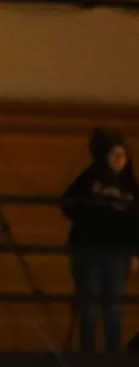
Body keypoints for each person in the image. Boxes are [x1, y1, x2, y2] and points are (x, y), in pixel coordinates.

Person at [62, 130, 139, 352]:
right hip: (90, 250)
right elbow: (67, 204)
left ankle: (114, 354)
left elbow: (136, 221)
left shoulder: (129, 185)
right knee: (91, 304)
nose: (119, 160)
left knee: (113, 305)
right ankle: (88, 354)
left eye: (123, 156)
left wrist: (135, 253)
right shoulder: (90, 178)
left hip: (117, 252)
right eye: (114, 155)